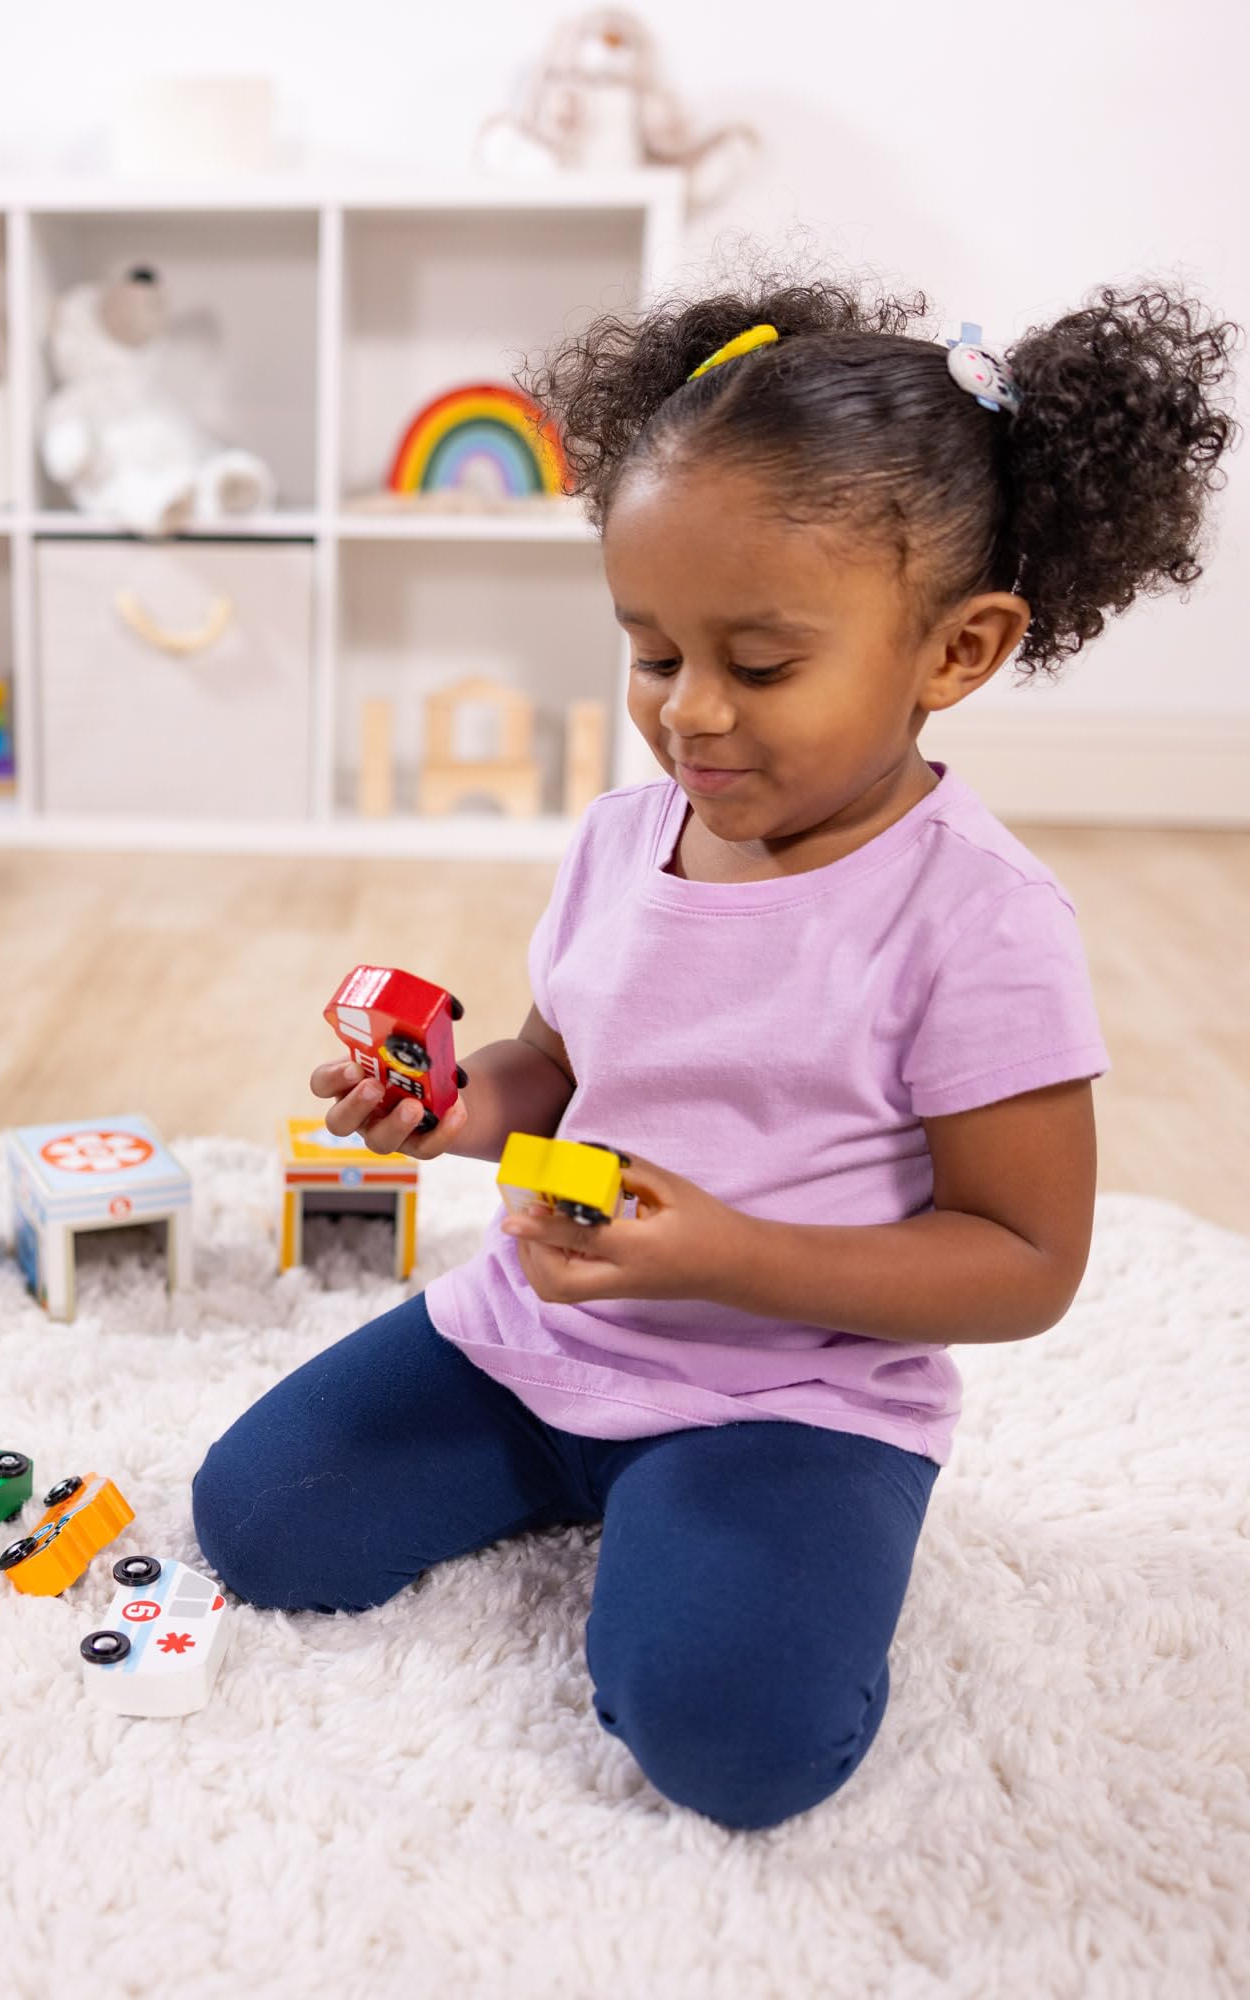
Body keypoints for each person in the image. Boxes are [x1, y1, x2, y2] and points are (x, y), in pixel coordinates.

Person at [192, 273, 1237, 1829]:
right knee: (261, 1520)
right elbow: (557, 1064)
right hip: (549, 1334)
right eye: (652, 653)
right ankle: (599, 1484)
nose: (690, 714)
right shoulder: (630, 838)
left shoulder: (980, 920)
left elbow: (1025, 1263)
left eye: (758, 666)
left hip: (791, 1399)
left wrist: (730, 1256)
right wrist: (453, 1106)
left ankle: (707, 1527)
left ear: (957, 651)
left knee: (733, 1740)